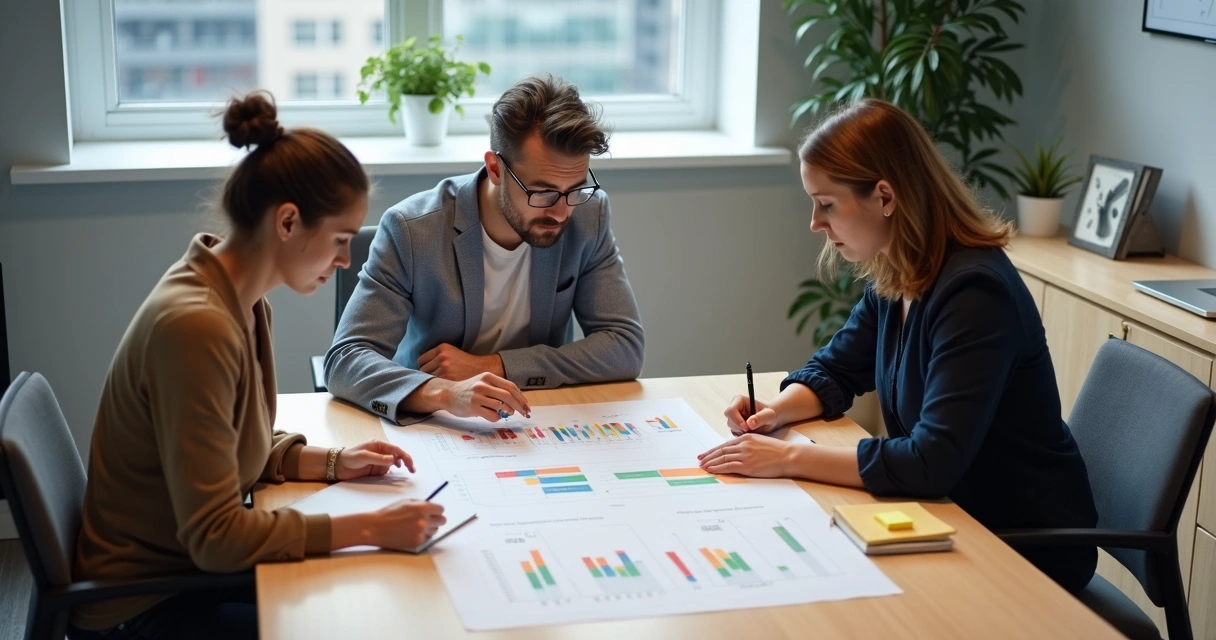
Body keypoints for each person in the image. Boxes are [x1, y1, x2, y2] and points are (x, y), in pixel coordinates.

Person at [70, 93, 446, 639]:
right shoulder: (196, 326)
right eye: (341, 240)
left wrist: (334, 462)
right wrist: (368, 526)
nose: (345, 260)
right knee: (356, 617)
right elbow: (216, 536)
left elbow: (227, 442)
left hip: (188, 573)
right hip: (146, 605)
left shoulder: (239, 300)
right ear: (288, 221)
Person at [698, 99, 1098, 594]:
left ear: (884, 196)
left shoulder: (975, 293)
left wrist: (787, 459)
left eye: (826, 204)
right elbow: (838, 369)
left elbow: (930, 462)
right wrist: (775, 414)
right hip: (951, 516)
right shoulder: (899, 269)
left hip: (1021, 545)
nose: (815, 223)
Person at [324, 74, 644, 424]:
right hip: (433, 425)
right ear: (495, 168)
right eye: (543, 192)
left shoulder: (588, 214)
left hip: (535, 421)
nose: (561, 211)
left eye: (575, 188)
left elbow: (624, 346)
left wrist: (497, 365)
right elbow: (346, 359)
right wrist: (444, 392)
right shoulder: (412, 230)